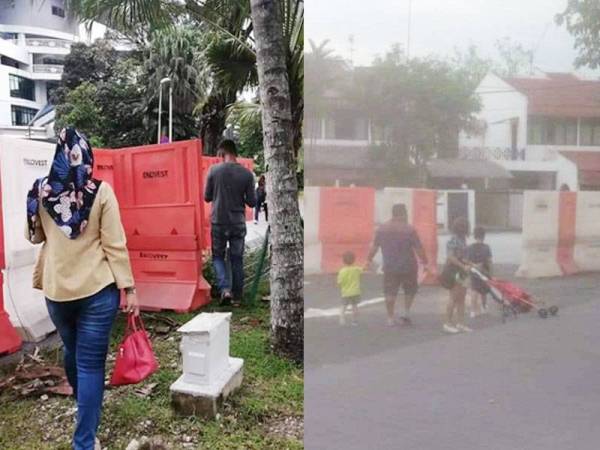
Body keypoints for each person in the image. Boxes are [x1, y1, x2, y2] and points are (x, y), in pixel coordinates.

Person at [25, 127, 138, 450]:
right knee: (90, 364)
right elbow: (115, 245)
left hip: (57, 293)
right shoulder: (100, 192)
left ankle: (84, 420)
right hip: (97, 292)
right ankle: (84, 442)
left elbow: (34, 237)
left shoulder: (40, 191)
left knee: (74, 353)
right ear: (87, 157)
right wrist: (129, 288)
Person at [204, 139, 256, 305]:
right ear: (235, 153)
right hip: (237, 222)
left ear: (221, 153)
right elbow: (252, 202)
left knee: (218, 257)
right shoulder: (247, 174)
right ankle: (238, 296)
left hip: (219, 221)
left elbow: (207, 197)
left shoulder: (214, 171)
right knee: (237, 258)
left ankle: (225, 290)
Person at [366, 203, 429, 327]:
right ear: (403, 213)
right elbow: (418, 248)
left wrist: (368, 260)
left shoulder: (382, 229)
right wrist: (425, 261)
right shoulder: (410, 229)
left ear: (393, 213)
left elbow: (374, 247)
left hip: (390, 266)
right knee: (410, 290)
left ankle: (390, 317)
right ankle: (406, 313)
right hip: (408, 265)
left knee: (390, 292)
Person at [440, 216, 473, 334]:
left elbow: (462, 257)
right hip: (455, 272)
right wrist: (463, 266)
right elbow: (451, 257)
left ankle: (460, 323)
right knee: (454, 297)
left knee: (462, 298)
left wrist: (470, 264)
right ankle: (447, 323)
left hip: (462, 272)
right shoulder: (454, 240)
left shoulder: (462, 240)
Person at [467, 226, 493, 317]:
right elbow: (489, 261)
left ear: (474, 235)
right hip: (484, 271)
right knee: (484, 291)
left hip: (473, 271)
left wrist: (474, 265)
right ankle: (484, 307)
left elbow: (467, 260)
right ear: (484, 236)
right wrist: (491, 273)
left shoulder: (470, 247)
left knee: (474, 290)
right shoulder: (486, 247)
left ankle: (473, 311)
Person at [336, 251, 362, 326]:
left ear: (343, 261)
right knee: (355, 306)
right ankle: (355, 321)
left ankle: (342, 318)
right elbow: (362, 270)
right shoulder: (356, 269)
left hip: (345, 292)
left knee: (343, 306)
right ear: (354, 260)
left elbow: (339, 282)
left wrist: (339, 287)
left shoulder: (342, 271)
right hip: (356, 291)